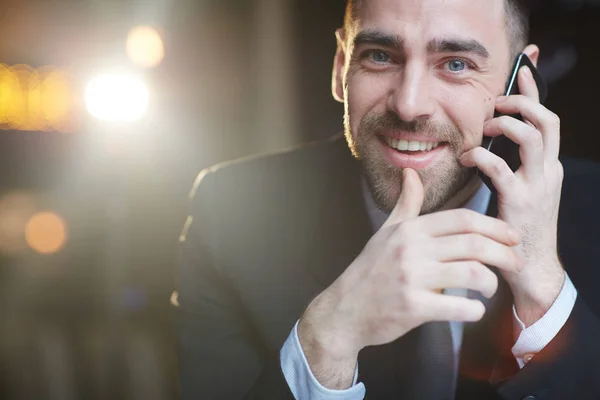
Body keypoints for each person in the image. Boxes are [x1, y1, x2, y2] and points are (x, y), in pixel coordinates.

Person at [177, 0, 600, 398]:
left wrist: (543, 286)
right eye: (380, 56)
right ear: (341, 65)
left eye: (456, 64)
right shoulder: (229, 213)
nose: (409, 104)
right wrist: (327, 338)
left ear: (521, 81)